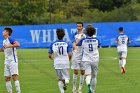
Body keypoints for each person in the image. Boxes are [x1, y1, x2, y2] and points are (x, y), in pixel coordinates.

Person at [48, 28, 72, 93]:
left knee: (60, 79)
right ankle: (66, 81)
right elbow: (70, 54)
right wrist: (68, 60)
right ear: (64, 35)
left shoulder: (52, 44)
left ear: (56, 35)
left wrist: (54, 59)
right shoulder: (67, 43)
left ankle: (62, 92)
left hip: (57, 63)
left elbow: (49, 55)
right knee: (66, 78)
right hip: (65, 62)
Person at [77, 25, 99, 93]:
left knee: (88, 75)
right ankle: (92, 91)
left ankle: (88, 83)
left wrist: (80, 37)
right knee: (94, 76)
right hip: (95, 59)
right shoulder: (97, 39)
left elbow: (78, 44)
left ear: (86, 32)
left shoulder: (83, 40)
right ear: (94, 32)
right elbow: (99, 45)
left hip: (86, 59)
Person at [0, 27, 21, 93]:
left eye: (4, 31)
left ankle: (18, 92)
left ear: (7, 32)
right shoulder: (4, 41)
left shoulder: (10, 38)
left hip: (13, 61)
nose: (2, 32)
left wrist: (8, 46)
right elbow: (4, 49)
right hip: (7, 62)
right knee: (7, 78)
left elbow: (18, 44)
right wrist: (2, 49)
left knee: (14, 77)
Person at [71, 22, 86, 93]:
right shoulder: (74, 34)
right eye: (77, 26)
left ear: (82, 27)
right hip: (76, 54)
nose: (78, 27)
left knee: (83, 72)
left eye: (80, 26)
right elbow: (74, 43)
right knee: (76, 71)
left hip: (83, 55)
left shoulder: (85, 35)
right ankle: (74, 88)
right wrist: (75, 48)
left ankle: (80, 89)